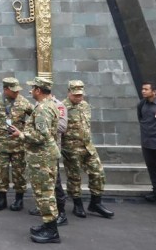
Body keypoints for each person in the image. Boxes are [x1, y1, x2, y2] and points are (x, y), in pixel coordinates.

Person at [9, 76, 61, 244]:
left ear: (39, 90)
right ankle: (47, 224)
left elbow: (41, 135)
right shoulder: (46, 105)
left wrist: (21, 134)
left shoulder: (43, 109)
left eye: (33, 88)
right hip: (42, 156)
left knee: (45, 194)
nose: (30, 91)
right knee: (43, 192)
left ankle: (52, 231)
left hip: (42, 158)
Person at [62, 80, 114, 219]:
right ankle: (77, 205)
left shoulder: (85, 106)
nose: (79, 98)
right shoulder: (62, 107)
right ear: (69, 93)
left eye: (80, 95)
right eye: (76, 95)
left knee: (98, 173)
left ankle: (95, 203)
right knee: (74, 177)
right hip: (71, 149)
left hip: (88, 147)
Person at [0, 77, 32, 211]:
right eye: (13, 90)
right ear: (5, 89)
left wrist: (27, 133)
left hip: (18, 145)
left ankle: (19, 200)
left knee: (19, 173)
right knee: (0, 172)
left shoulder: (23, 101)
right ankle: (2, 199)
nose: (17, 93)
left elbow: (34, 116)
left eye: (17, 90)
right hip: (0, 145)